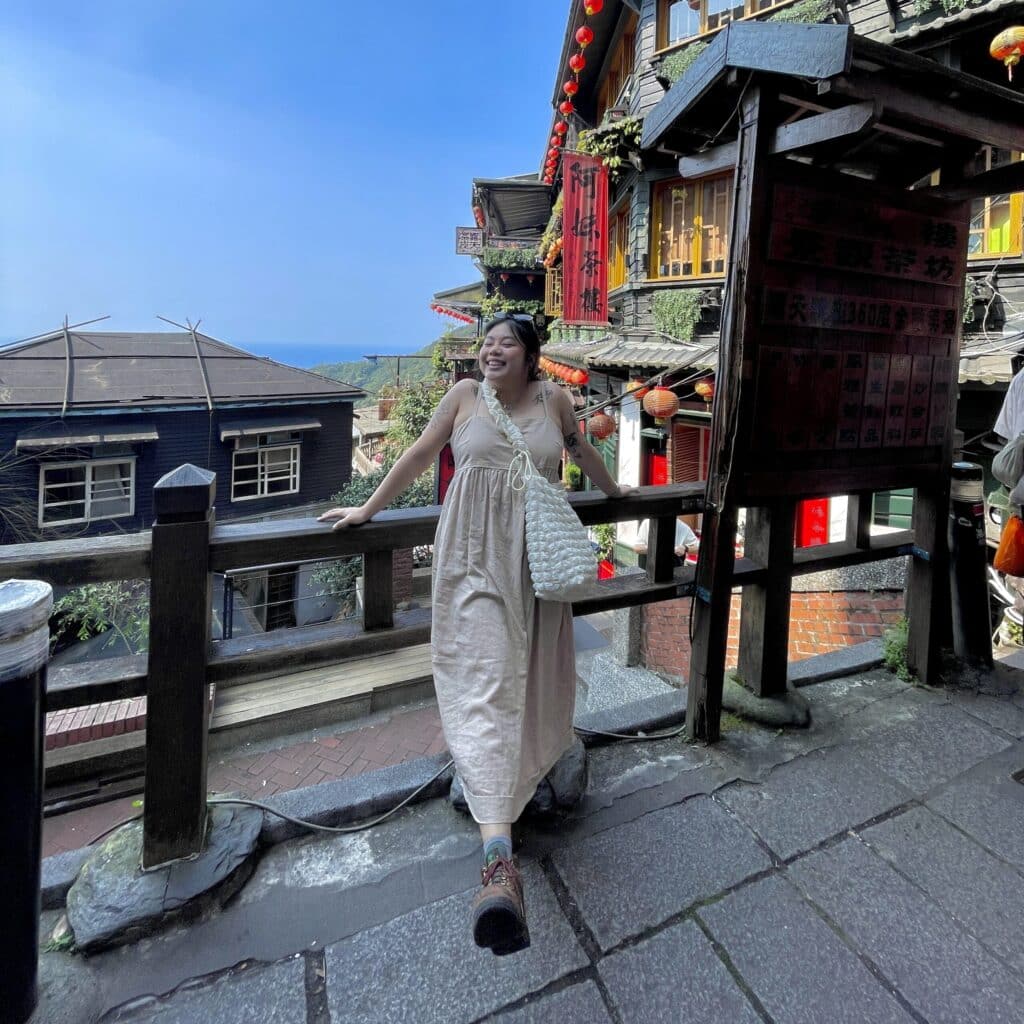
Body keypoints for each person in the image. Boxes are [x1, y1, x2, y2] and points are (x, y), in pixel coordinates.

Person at [318, 312, 632, 955]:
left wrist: (617, 493)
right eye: (486, 341)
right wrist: (366, 510)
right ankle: (498, 862)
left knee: (540, 675)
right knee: (485, 678)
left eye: (505, 342)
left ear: (530, 355)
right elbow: (417, 454)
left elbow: (581, 452)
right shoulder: (463, 397)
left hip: (536, 561)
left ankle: (523, 780)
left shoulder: (557, 400)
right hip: (473, 558)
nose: (491, 349)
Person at [633, 515, 699, 566]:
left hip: (674, 570)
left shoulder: (683, 527)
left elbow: (698, 548)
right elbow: (637, 548)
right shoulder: (647, 523)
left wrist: (685, 548)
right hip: (647, 568)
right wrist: (656, 549)